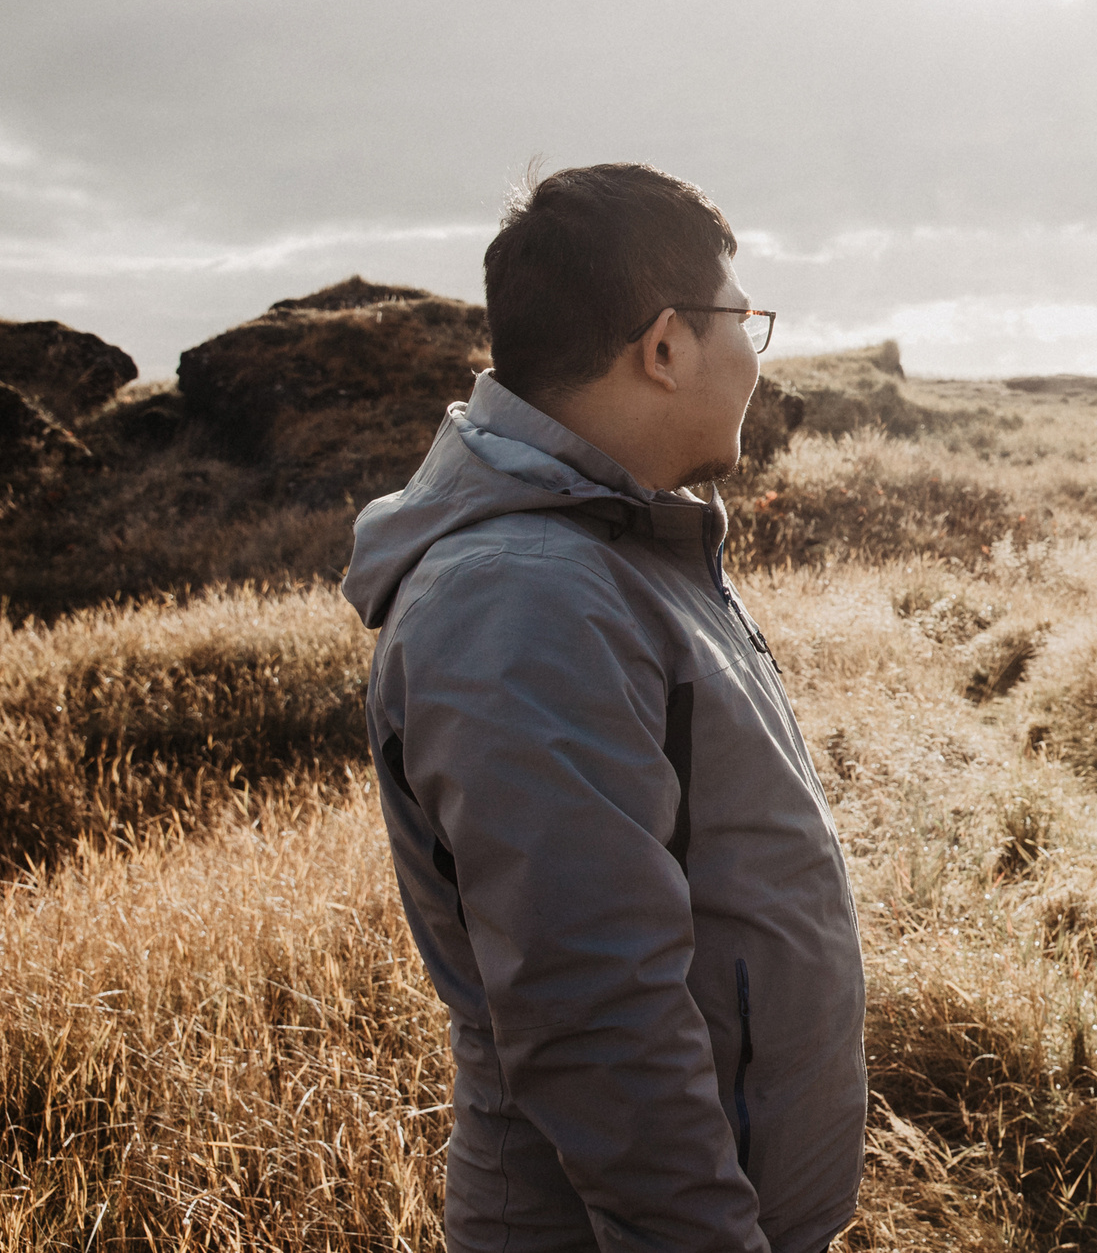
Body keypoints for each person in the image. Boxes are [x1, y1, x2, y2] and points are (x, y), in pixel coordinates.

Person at [343, 163, 866, 1253]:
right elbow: (599, 1020)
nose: (754, 359)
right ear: (665, 346)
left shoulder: (619, 549)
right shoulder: (523, 600)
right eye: (744, 322)